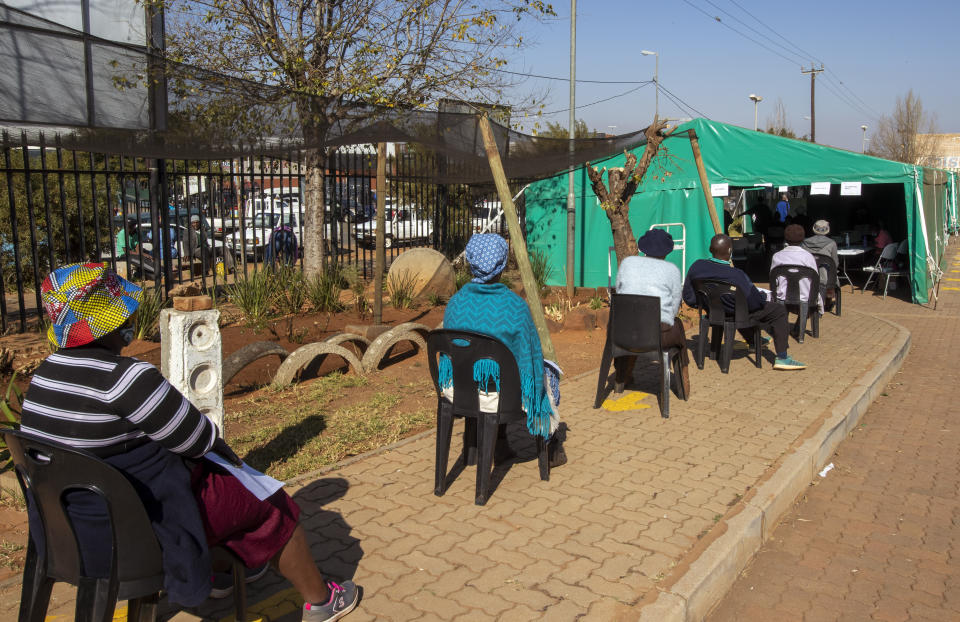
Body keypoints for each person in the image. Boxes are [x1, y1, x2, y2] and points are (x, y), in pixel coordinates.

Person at [20, 263, 359, 622]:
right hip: (137, 530)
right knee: (269, 503)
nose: (129, 324)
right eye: (123, 317)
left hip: (73, 530)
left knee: (214, 491)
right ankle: (322, 601)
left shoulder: (43, 378)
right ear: (112, 324)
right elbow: (197, 439)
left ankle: (220, 576)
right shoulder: (126, 379)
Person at [440, 234, 566, 465]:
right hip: (500, 394)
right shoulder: (515, 306)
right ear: (501, 266)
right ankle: (551, 447)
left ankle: (492, 441)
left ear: (470, 264)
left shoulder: (455, 303)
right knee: (547, 372)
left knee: (495, 367)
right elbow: (529, 355)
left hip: (459, 389)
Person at [682, 234, 806, 371]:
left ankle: (753, 341)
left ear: (711, 249)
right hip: (736, 313)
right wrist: (762, 296)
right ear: (730, 251)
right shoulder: (736, 275)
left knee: (737, 305)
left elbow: (688, 296)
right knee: (777, 310)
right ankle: (782, 357)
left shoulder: (697, 266)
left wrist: (705, 304)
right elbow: (754, 303)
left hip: (713, 311)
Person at [614, 229, 690, 396]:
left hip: (624, 332)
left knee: (634, 323)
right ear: (667, 251)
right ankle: (683, 379)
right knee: (678, 327)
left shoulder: (628, 263)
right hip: (657, 334)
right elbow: (675, 305)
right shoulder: (672, 270)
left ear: (644, 248)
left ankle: (621, 376)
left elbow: (619, 291)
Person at [771, 224, 823, 313]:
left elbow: (773, 279)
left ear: (785, 238)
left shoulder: (777, 256)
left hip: (782, 296)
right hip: (806, 297)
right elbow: (815, 279)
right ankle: (801, 324)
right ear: (803, 239)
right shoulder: (808, 256)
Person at [802, 219, 839, 310]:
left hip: (807, 275)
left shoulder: (805, 242)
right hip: (824, 278)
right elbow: (835, 263)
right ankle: (827, 301)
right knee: (832, 275)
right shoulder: (832, 243)